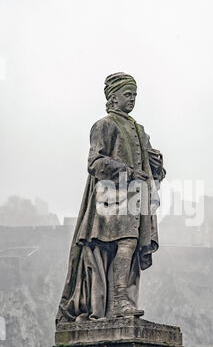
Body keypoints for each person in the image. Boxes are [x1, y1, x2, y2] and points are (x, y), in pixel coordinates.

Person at [56, 73, 166, 323]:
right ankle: (118, 301)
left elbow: (152, 169)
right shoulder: (103, 125)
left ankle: (121, 301)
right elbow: (94, 162)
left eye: (135, 95)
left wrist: (156, 165)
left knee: (131, 243)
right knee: (126, 242)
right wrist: (125, 171)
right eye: (128, 94)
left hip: (135, 199)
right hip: (110, 199)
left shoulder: (139, 130)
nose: (132, 99)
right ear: (113, 98)